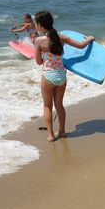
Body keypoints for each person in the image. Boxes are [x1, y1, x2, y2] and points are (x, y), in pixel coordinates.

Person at [33, 11, 94, 142]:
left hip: (48, 76)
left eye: (35, 24)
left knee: (47, 106)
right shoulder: (62, 38)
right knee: (59, 105)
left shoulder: (38, 41)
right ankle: (62, 131)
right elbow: (81, 45)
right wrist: (89, 38)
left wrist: (44, 55)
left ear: (40, 25)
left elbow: (38, 62)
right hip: (61, 77)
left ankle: (50, 135)